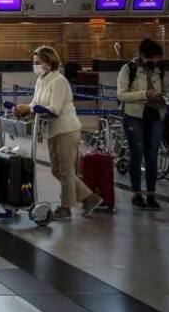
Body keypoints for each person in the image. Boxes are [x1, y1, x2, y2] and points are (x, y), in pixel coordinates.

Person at [15, 45, 103, 220]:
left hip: (67, 130)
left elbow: (54, 109)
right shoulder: (41, 81)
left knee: (65, 170)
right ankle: (90, 198)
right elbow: (36, 103)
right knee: (57, 170)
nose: (35, 66)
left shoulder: (59, 81)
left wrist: (30, 108)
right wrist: (23, 110)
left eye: (38, 62)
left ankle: (65, 208)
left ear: (49, 62)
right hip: (53, 130)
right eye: (34, 62)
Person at [116, 38, 166, 211]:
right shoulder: (128, 69)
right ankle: (137, 194)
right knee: (136, 154)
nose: (155, 62)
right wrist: (144, 94)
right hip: (134, 116)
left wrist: (165, 98)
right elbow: (121, 95)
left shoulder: (159, 70)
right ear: (144, 56)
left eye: (158, 59)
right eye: (152, 59)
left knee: (152, 156)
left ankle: (151, 194)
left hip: (155, 116)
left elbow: (163, 90)